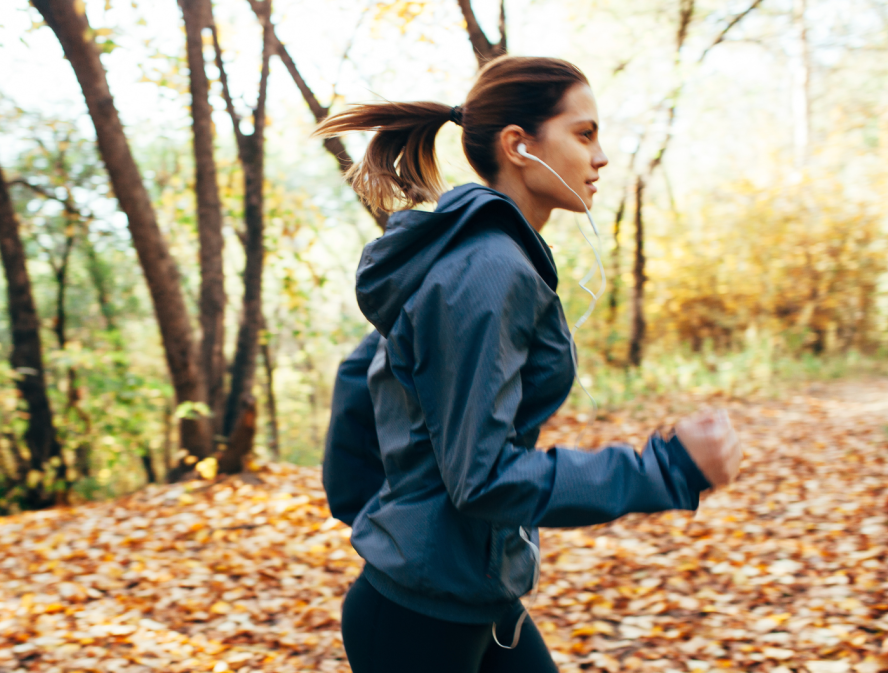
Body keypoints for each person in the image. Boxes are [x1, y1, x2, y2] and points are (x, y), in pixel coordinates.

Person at [316, 56, 743, 673]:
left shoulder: (464, 251)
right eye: (584, 133)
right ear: (520, 145)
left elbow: (362, 374)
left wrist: (392, 521)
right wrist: (666, 470)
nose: (601, 158)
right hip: (418, 621)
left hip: (472, 597)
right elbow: (484, 477)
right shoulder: (488, 269)